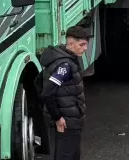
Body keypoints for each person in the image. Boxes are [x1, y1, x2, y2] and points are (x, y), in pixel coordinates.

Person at [39, 25, 91, 160]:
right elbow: (47, 93)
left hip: (70, 118)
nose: (85, 48)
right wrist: (57, 117)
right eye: (82, 45)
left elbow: (38, 83)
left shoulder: (62, 58)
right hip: (67, 121)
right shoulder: (65, 66)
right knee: (67, 155)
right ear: (71, 43)